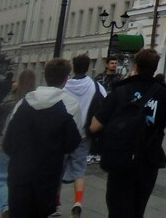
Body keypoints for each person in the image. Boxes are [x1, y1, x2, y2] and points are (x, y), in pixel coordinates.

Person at [90, 48, 166, 218]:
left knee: (117, 207)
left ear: (136, 66)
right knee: (138, 207)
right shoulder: (163, 94)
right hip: (148, 159)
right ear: (155, 68)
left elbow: (95, 126)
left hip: (120, 157)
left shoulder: (120, 91)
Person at [3, 58, 81, 218]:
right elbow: (72, 143)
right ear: (66, 78)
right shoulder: (70, 105)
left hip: (19, 172)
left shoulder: (24, 103)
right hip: (49, 175)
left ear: (45, 75)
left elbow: (8, 142)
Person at [61, 53, 106, 218]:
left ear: (74, 66)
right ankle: (78, 202)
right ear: (88, 67)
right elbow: (105, 106)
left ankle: (56, 204)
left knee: (59, 167)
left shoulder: (64, 85)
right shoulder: (95, 86)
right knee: (80, 169)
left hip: (64, 134)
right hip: (83, 134)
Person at [0, 69, 37, 218]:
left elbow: (2, 106)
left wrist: (13, 90)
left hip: (8, 139)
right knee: (21, 177)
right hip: (26, 144)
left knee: (3, 176)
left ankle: (6, 206)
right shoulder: (35, 99)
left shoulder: (14, 97)